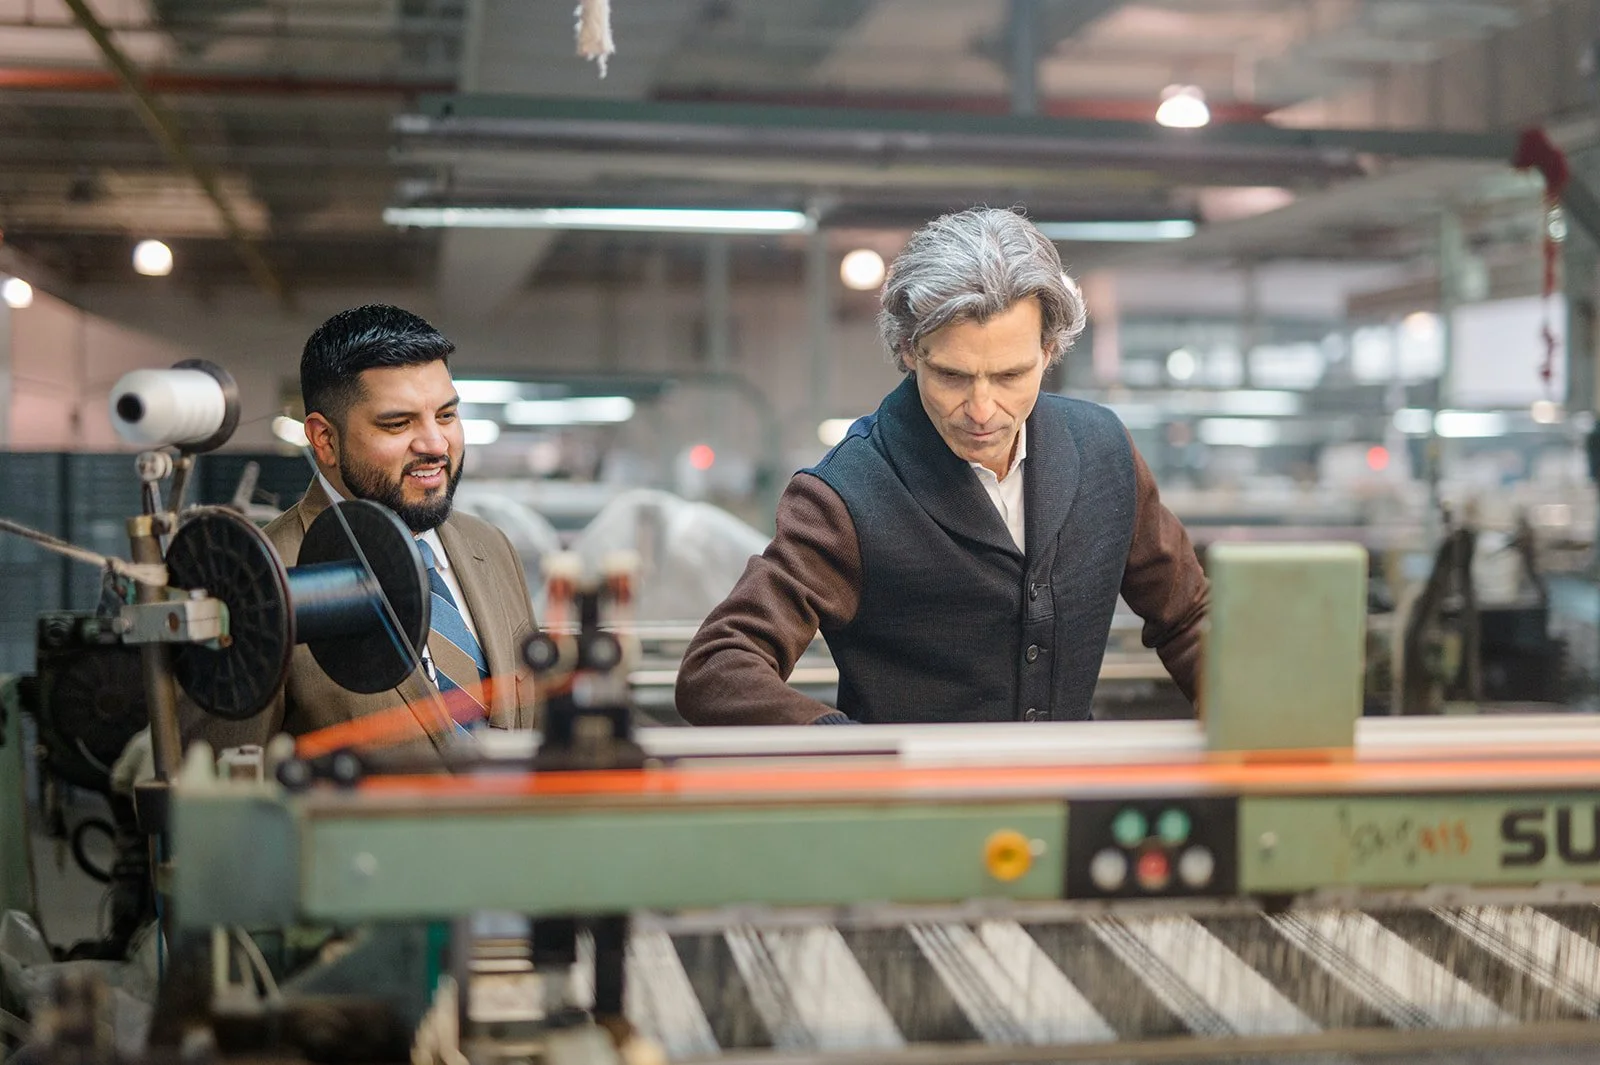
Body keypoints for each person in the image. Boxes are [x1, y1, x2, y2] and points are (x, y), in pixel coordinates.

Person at [675, 207, 1208, 726]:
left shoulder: (1104, 454)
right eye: (953, 376)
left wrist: (1261, 728)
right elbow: (717, 669)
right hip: (915, 809)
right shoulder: (846, 496)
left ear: (1049, 351)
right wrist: (850, 753)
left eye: (1009, 376)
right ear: (909, 350)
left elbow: (1188, 618)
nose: (981, 409)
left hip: (1070, 800)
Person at [180, 305, 538, 755]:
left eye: (445, 416)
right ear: (325, 439)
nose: (434, 444)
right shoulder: (255, 583)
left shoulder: (491, 546)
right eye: (398, 423)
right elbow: (216, 799)